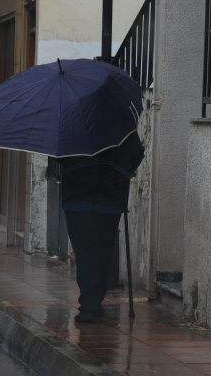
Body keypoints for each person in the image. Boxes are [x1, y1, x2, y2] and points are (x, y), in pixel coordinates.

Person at [57, 131, 145, 322]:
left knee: (85, 251)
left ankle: (90, 305)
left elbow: (58, 154)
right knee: (105, 249)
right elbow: (137, 151)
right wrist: (124, 170)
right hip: (111, 193)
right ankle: (94, 301)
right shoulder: (121, 122)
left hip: (77, 194)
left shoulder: (71, 122)